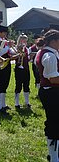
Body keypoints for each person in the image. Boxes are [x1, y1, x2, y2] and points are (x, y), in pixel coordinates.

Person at [36, 29, 59, 162]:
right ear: (54, 41)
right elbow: (53, 78)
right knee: (54, 123)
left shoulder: (45, 52)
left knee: (56, 122)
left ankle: (55, 154)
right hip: (51, 92)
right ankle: (54, 157)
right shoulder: (49, 55)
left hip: (51, 91)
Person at [0, 26, 14, 114]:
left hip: (6, 64)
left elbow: (9, 52)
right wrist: (8, 46)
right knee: (0, 85)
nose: (5, 34)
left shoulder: (4, 42)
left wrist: (16, 50)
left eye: (6, 33)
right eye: (4, 32)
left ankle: (3, 105)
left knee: (4, 84)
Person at [14, 33, 31, 108]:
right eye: (23, 39)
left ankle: (27, 102)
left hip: (26, 68)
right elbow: (15, 57)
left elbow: (27, 58)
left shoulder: (27, 48)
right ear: (20, 40)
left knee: (26, 85)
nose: (25, 41)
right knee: (18, 85)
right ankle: (16, 103)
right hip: (19, 69)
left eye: (25, 40)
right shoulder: (16, 48)